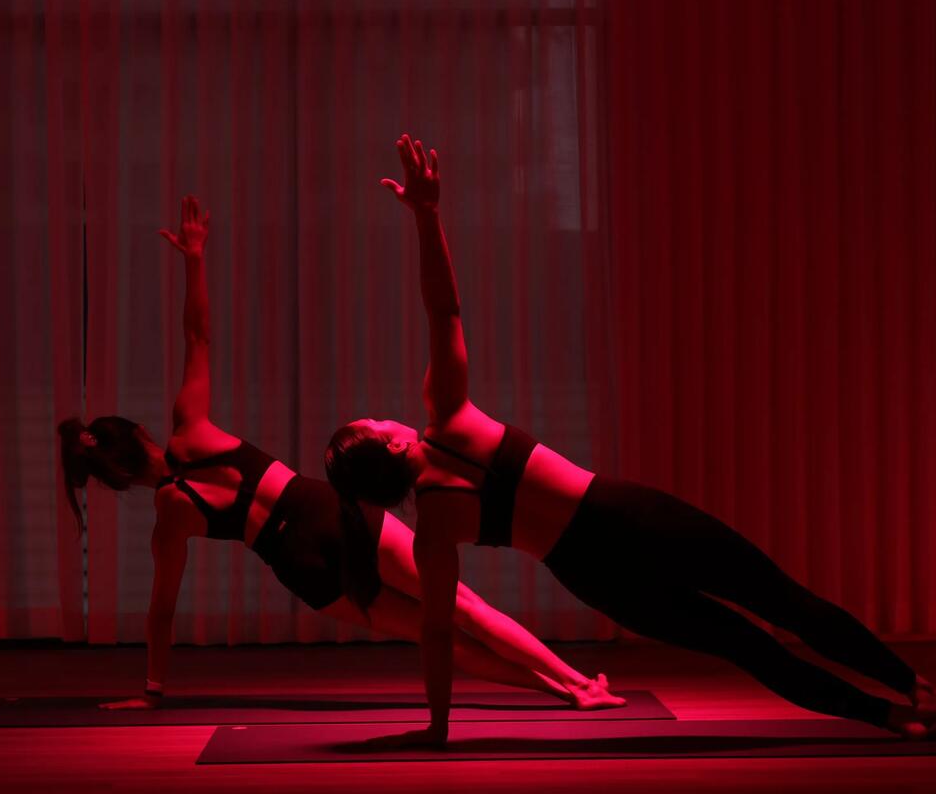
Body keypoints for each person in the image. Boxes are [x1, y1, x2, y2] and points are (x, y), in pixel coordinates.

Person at [324, 135, 936, 747]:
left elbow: (438, 630)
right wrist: (427, 216)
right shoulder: (451, 417)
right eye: (376, 424)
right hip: (628, 517)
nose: (384, 415)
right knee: (780, 602)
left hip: (593, 573)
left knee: (746, 643)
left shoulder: (433, 526)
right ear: (394, 448)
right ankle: (914, 691)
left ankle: (889, 717)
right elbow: (445, 311)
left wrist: (439, 725)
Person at [59, 195, 623, 711]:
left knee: (434, 629)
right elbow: (197, 338)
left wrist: (153, 692)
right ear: (140, 434)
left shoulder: (169, 517)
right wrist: (195, 258)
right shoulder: (190, 430)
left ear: (116, 479)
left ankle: (560, 692)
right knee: (462, 606)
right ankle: (575, 684)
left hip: (300, 567)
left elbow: (161, 613)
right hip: (326, 512)